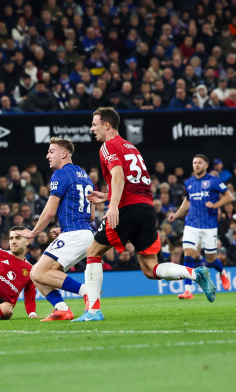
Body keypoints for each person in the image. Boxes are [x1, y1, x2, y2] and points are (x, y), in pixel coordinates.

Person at [81, 108, 215, 322]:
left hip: (126, 209)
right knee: (150, 269)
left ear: (107, 125)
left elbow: (118, 175)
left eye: (95, 123)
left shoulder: (108, 146)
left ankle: (94, 311)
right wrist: (108, 196)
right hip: (146, 210)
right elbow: (135, 183)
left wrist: (113, 206)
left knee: (93, 252)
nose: (92, 128)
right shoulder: (131, 147)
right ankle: (193, 273)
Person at [20, 138, 94, 321]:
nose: (47, 156)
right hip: (83, 233)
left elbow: (49, 211)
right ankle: (62, 309)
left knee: (36, 273)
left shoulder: (60, 174)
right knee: (39, 275)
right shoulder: (85, 175)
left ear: (63, 154)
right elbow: (90, 215)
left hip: (75, 234)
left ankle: (87, 292)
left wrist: (33, 232)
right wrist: (65, 227)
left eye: (51, 151)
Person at [167, 154, 233, 299]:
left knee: (211, 260)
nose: (196, 165)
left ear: (206, 165)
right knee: (188, 255)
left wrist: (216, 205)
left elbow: (229, 197)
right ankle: (188, 291)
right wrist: (177, 214)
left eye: (199, 163)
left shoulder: (214, 181)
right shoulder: (189, 182)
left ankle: (222, 273)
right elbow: (187, 201)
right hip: (191, 224)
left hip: (209, 225)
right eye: (194, 162)